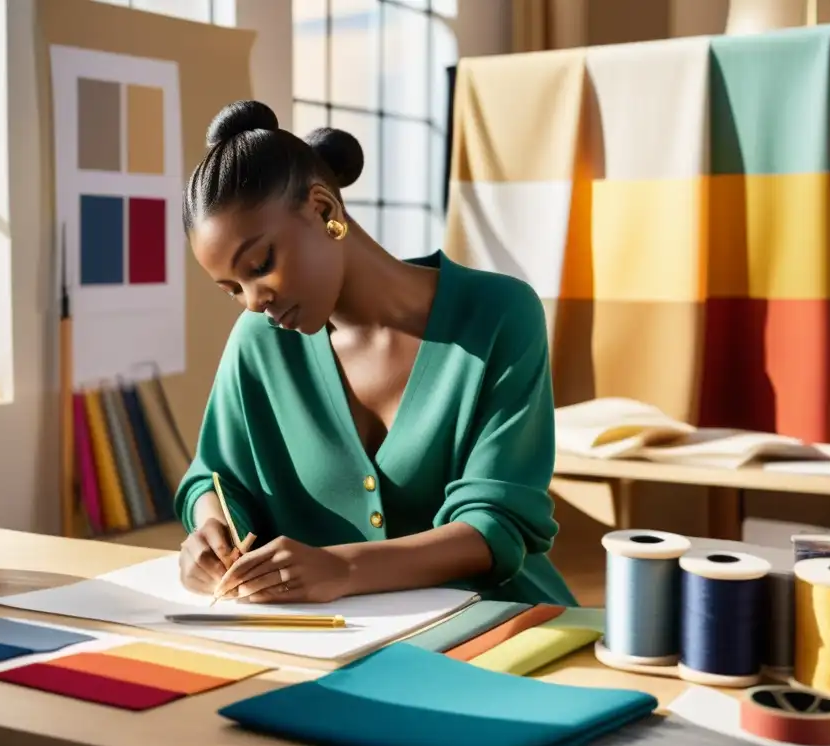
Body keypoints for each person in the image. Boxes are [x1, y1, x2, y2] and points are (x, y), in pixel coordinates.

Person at [175, 100, 576, 608]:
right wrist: (210, 532)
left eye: (260, 265)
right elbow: (214, 477)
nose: (254, 301)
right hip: (333, 643)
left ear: (324, 210)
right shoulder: (258, 341)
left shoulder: (499, 315)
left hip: (502, 626)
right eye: (231, 287)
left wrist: (342, 568)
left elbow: (497, 524)